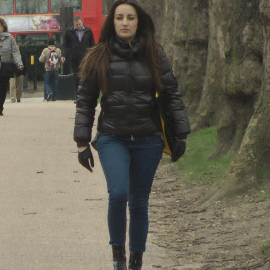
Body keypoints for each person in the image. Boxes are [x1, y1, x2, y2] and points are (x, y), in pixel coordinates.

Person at [73, 1, 191, 269]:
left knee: (139, 202)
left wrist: (181, 133)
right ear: (111, 22)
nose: (125, 23)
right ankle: (118, 258)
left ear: (140, 22)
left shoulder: (155, 54)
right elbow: (86, 100)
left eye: (130, 18)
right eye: (119, 18)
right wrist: (82, 141)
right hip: (112, 137)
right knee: (118, 194)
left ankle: (136, 259)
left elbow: (172, 95)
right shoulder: (97, 56)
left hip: (148, 139)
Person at [64, 16, 95, 90]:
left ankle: (85, 93)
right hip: (74, 58)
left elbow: (92, 45)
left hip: (85, 58)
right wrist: (63, 55)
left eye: (79, 24)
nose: (78, 26)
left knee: (85, 76)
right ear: (74, 24)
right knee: (76, 77)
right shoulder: (69, 32)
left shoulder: (88, 31)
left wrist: (92, 55)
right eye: (76, 25)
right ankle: (77, 96)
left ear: (82, 22)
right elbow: (65, 45)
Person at [39, 37, 64, 101]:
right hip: (56, 70)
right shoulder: (58, 50)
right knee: (54, 84)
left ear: (48, 43)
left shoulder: (45, 50)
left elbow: (41, 60)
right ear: (54, 43)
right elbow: (61, 59)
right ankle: (54, 99)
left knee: (47, 83)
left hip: (48, 70)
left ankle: (49, 92)